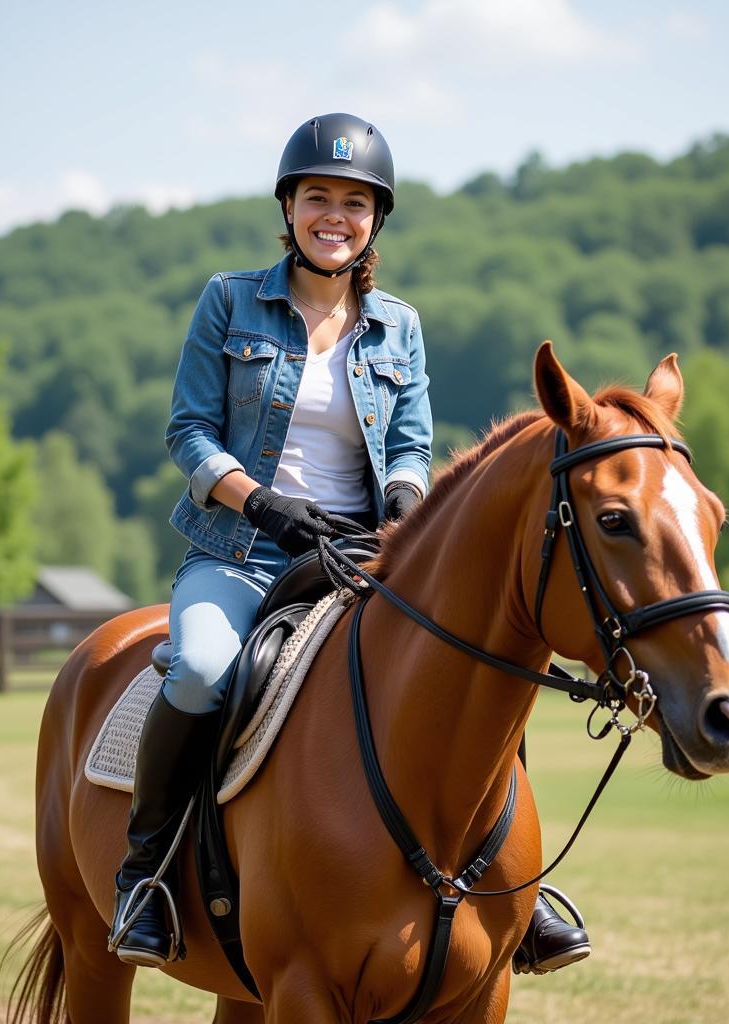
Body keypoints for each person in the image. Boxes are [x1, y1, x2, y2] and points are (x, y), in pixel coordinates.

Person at [109, 113, 589, 977]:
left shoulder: (398, 325)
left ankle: (516, 888)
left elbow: (409, 441)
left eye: (355, 203)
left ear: (376, 220)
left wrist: (405, 506)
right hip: (242, 551)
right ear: (288, 207)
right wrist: (268, 508)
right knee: (202, 671)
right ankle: (146, 876)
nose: (336, 215)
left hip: (364, 555)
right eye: (318, 197)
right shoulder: (229, 300)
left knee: (475, 665)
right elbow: (189, 433)